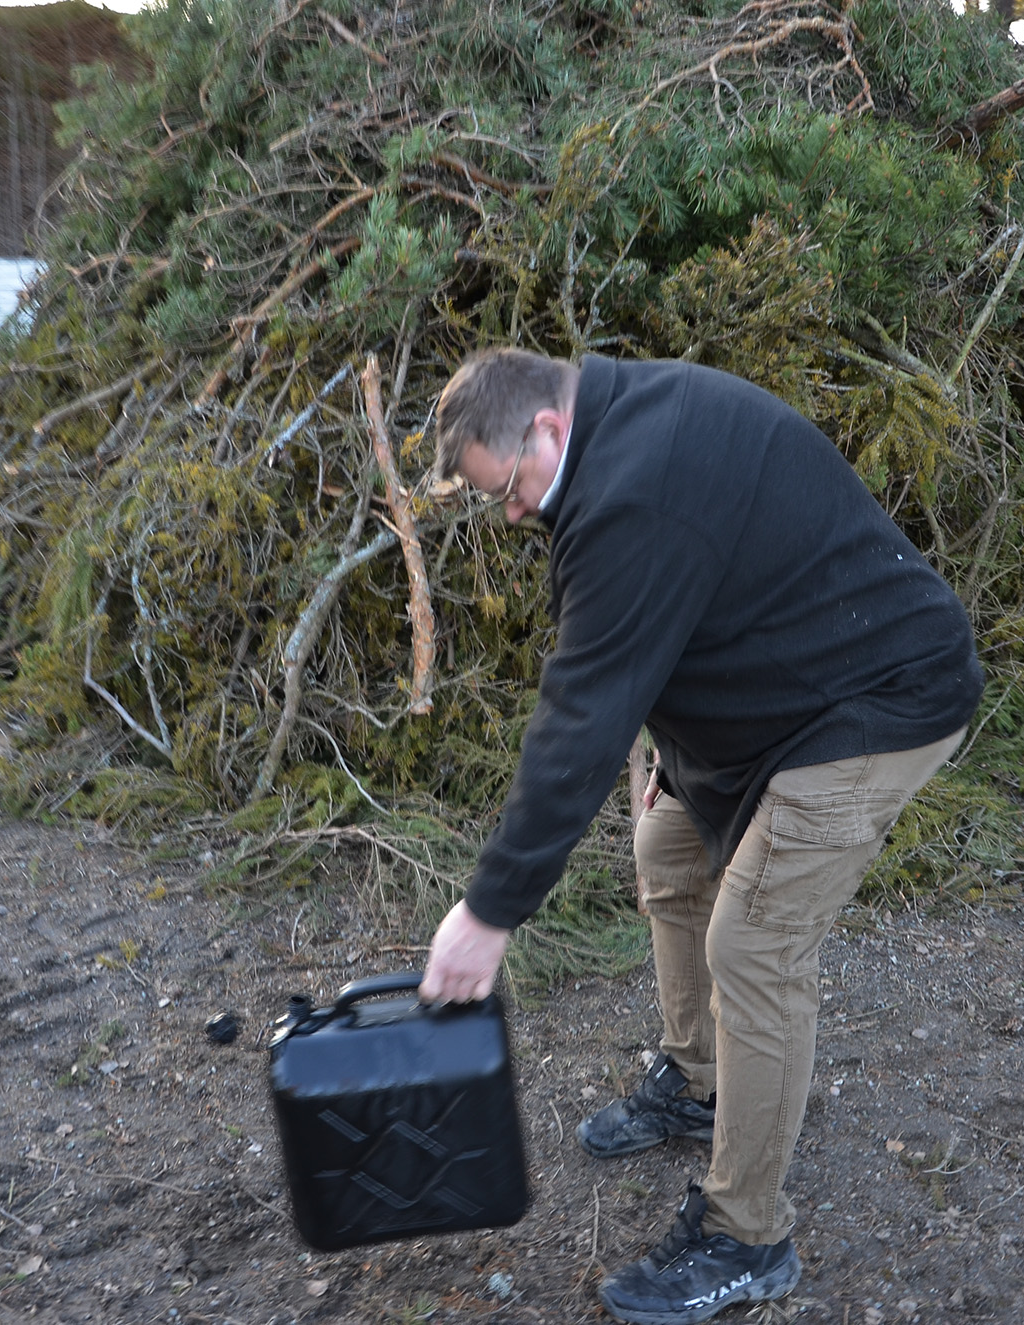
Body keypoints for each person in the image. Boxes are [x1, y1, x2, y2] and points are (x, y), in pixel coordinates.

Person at [417, 348, 983, 1324]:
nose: (510, 514)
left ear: (547, 428)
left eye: (506, 489)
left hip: (881, 696)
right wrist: (679, 758)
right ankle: (700, 1081)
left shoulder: (635, 490)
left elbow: (582, 718)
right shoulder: (612, 431)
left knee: (755, 945)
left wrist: (488, 911)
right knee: (667, 849)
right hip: (796, 684)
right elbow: (692, 612)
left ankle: (746, 1235)